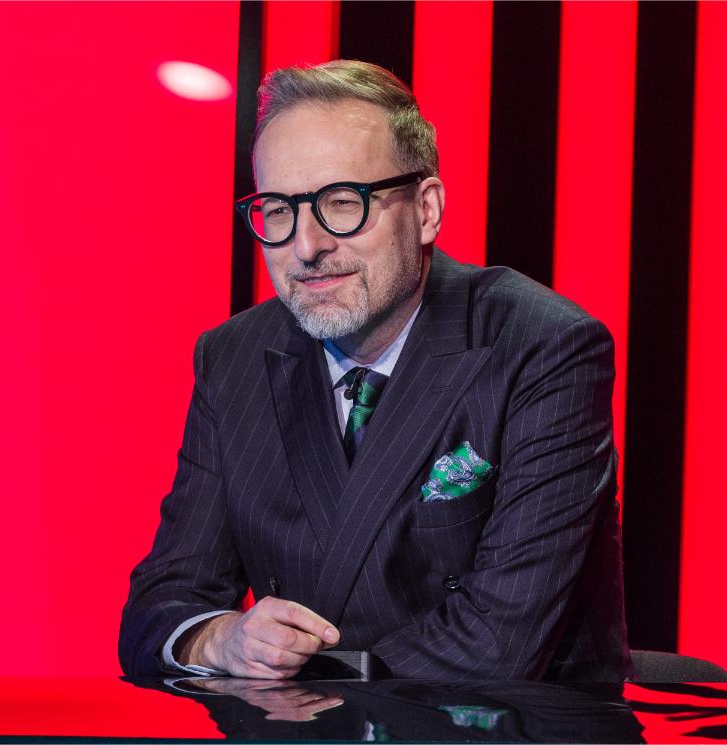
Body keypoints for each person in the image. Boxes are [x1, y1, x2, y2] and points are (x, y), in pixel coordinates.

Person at [119, 60, 630, 681]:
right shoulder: (233, 358)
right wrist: (217, 641)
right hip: (291, 724)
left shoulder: (541, 347)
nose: (306, 246)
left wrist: (309, 683)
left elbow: (500, 640)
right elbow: (161, 606)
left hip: (495, 721)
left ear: (427, 209)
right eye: (278, 210)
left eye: (343, 203)